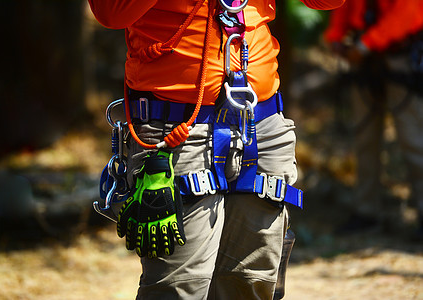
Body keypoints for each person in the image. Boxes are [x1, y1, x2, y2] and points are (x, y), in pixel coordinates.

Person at [88, 0, 344, 299]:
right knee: (179, 287)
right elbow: (110, 12)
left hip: (260, 124)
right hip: (176, 131)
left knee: (251, 281)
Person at [324, 0, 423, 236]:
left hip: (400, 55)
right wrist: (337, 37)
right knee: (364, 139)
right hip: (362, 58)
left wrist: (366, 45)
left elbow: (407, 13)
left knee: (414, 139)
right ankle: (366, 212)